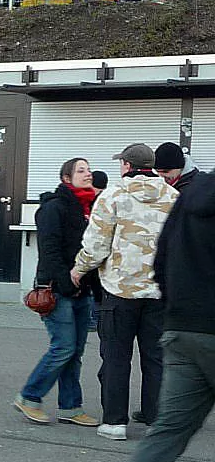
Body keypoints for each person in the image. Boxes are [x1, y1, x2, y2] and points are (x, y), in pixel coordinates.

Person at [96, 167, 215, 462]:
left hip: (182, 328)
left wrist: (174, 309)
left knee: (168, 430)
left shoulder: (192, 195)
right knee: (169, 428)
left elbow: (161, 255)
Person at [71, 144, 178, 440]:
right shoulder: (173, 196)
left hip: (120, 290)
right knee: (155, 356)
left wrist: (80, 268)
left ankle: (115, 422)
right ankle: (157, 421)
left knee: (117, 356)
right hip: (159, 291)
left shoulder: (114, 195)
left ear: (127, 166)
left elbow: (96, 243)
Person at [14, 158, 103, 427]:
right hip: (57, 289)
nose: (88, 174)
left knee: (74, 351)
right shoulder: (54, 208)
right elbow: (50, 251)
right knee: (63, 347)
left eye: (88, 170)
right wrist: (66, 283)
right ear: (66, 178)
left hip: (82, 289)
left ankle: (71, 407)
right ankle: (29, 396)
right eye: (81, 170)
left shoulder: (89, 208)